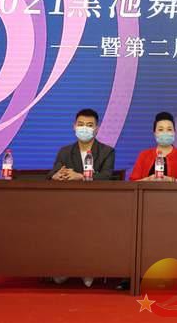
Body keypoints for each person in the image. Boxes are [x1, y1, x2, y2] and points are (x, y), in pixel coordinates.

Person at [47, 108, 115, 288]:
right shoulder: (65, 151)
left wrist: (80, 176)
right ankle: (64, 268)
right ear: (74, 126)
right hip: (68, 205)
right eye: (81, 124)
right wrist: (56, 175)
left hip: (96, 206)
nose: (85, 128)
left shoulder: (107, 152)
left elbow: (107, 176)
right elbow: (54, 171)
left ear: (96, 129)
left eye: (89, 125)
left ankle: (88, 269)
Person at [130, 112, 177, 182]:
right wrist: (148, 179)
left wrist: (170, 180)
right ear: (155, 133)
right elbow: (133, 182)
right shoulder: (144, 155)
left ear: (174, 132)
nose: (165, 133)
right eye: (161, 130)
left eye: (169, 129)